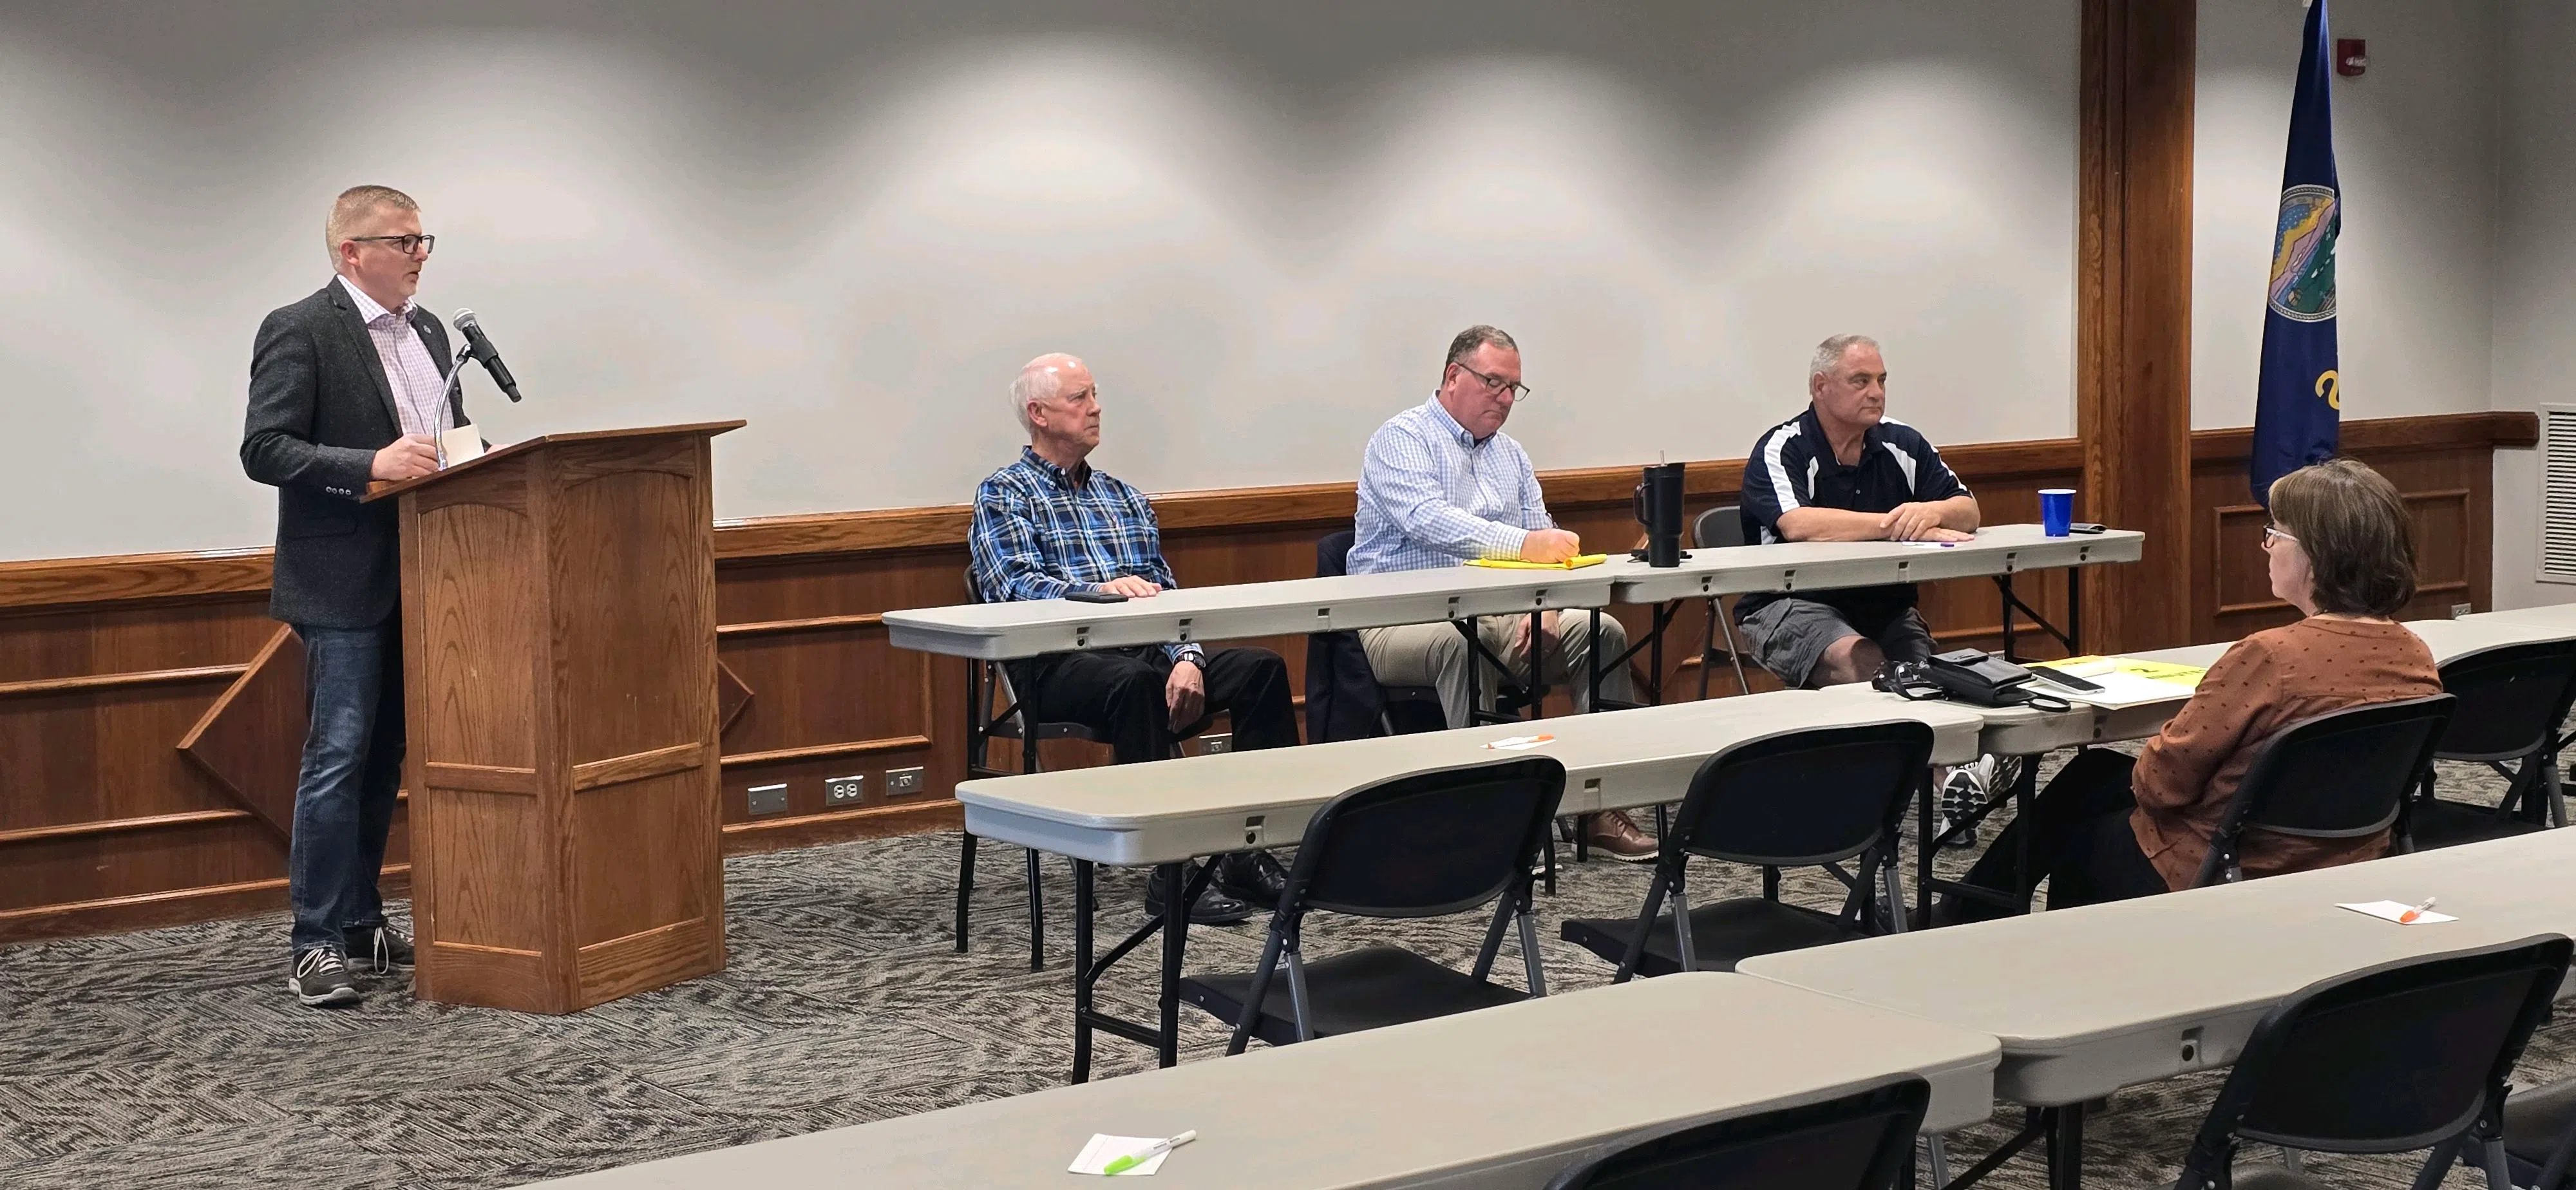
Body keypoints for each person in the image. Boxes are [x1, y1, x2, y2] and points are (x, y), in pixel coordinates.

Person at [1947, 458, 2441, 918]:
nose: (2266, 545)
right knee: (2093, 773)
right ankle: (1963, 909)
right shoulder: (2414, 655)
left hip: (2231, 864)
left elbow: (2161, 788)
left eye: (2275, 534)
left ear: (2317, 555)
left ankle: (1976, 921)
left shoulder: (2270, 657)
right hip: (2349, 856)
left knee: (2082, 830)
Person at [969, 354, 1300, 922]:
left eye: (1095, 395)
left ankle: (1248, 851)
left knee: (1261, 668)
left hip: (1145, 651)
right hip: (1052, 663)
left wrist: (1189, 657)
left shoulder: (1124, 497)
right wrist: (1101, 591)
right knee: (1137, 681)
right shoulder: (1005, 494)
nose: (1095, 408)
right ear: (1039, 414)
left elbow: (1165, 595)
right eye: (1079, 398)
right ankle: (1168, 871)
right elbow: (1013, 587)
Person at [241, 185, 459, 1006]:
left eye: (423, 240)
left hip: (432, 575)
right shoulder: (299, 327)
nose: (419, 256)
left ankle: (364, 918)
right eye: (403, 242)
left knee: (384, 760)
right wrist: (370, 465)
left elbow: (442, 439)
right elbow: (266, 448)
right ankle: (315, 940)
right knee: (336, 759)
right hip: (339, 580)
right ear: (351, 253)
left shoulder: (430, 333)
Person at [1349, 325, 1655, 861]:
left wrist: (1550, 608)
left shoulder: (1511, 456)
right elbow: (1428, 521)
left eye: (1515, 388)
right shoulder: (1400, 439)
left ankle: (1599, 807)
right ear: (1452, 377)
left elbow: (1547, 539)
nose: (1507, 398)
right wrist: (1525, 547)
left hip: (1508, 612)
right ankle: (1492, 820)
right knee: (1462, 646)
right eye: (1494, 383)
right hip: (1401, 619)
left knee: (1603, 632)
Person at [1736, 334, 1991, 844]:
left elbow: (1969, 510)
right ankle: (1932, 785)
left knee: (1929, 679)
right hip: (1787, 606)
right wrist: (1894, 524)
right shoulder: (1783, 447)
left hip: (1884, 605)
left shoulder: (1903, 442)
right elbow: (1798, 525)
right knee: (1864, 660)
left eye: (1881, 381)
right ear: (1821, 387)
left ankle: (1948, 791)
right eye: (1861, 381)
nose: (1876, 392)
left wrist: (1932, 512)